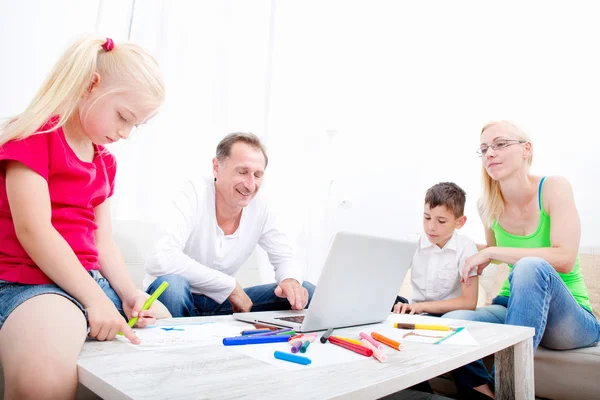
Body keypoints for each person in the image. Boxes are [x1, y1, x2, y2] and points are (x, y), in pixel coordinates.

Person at [0, 36, 170, 399]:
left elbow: (102, 243)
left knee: (166, 324)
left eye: (136, 125)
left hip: (89, 282)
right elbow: (34, 231)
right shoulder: (33, 135)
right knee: (41, 382)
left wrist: (128, 294)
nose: (125, 133)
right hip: (29, 283)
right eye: (124, 116)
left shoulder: (104, 161)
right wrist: (94, 300)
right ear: (91, 84)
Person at [442, 121, 600, 399]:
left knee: (530, 265)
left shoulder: (553, 187)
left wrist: (491, 252)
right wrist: (448, 243)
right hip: (513, 305)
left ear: (526, 149)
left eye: (500, 144)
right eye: (484, 149)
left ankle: (506, 390)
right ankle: (482, 391)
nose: (490, 153)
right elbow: (492, 252)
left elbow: (563, 258)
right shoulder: (486, 204)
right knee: (453, 320)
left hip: (569, 318)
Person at [144, 132, 315, 317]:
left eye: (257, 175)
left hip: (221, 304)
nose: (250, 185)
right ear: (217, 167)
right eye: (242, 172)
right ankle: (181, 344)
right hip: (177, 299)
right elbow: (160, 258)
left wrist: (290, 280)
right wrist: (229, 285)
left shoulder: (262, 205)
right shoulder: (191, 193)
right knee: (172, 285)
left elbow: (284, 256)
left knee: (306, 291)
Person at [393, 182, 479, 315]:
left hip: (449, 314)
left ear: (460, 222)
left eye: (441, 221)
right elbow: (387, 277)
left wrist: (422, 307)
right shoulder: (412, 242)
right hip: (416, 312)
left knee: (456, 317)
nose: (430, 227)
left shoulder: (465, 246)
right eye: (427, 217)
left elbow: (469, 302)